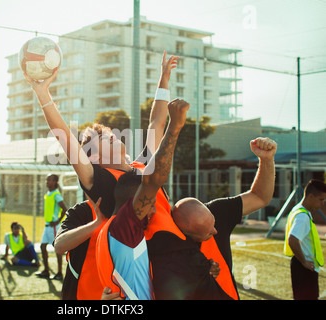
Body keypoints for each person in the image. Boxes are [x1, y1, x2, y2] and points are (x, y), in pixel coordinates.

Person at [48, 52, 181, 299]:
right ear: (95, 158)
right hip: (137, 272)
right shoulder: (103, 181)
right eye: (104, 138)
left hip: (166, 265)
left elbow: (156, 124)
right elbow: (66, 138)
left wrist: (164, 78)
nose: (113, 135)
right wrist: (43, 94)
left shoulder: (142, 166)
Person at [96, 97, 190, 300]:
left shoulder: (114, 234)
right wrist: (175, 127)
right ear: (134, 203)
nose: (154, 210)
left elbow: (155, 123)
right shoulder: (123, 229)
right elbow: (152, 182)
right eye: (150, 203)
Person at [164, 137, 277, 300]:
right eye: (208, 233)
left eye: (213, 223)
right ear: (186, 233)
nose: (215, 230)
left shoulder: (218, 211)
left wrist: (266, 160)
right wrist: (200, 276)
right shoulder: (167, 242)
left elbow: (260, 197)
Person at [284, 179, 326, 300]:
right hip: (304, 268)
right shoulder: (302, 216)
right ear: (311, 196)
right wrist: (304, 262)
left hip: (300, 266)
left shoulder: (298, 209)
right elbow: (292, 239)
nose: (323, 203)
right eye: (321, 199)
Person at [36, 174, 67, 280]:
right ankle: (46, 271)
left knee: (57, 249)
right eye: (47, 179)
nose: (47, 181)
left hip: (54, 226)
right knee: (42, 247)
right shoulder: (48, 194)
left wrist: (58, 221)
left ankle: (59, 273)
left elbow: (64, 209)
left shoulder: (56, 194)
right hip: (47, 225)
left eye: (50, 180)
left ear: (55, 182)